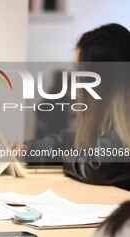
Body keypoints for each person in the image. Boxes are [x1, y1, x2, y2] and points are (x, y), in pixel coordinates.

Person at [10, 23, 130, 190]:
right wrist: (28, 149)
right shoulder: (108, 123)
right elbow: (68, 142)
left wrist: (65, 155)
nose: (77, 82)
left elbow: (96, 165)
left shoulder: (123, 135)